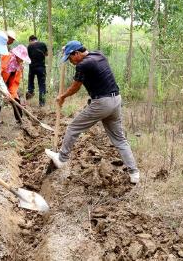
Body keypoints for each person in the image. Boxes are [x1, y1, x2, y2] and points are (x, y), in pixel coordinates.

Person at [45, 40, 140, 184]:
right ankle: (134, 173)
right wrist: (67, 49)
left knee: (73, 127)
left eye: (70, 58)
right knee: (120, 140)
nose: (71, 62)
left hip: (102, 103)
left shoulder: (83, 65)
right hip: (116, 101)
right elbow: (81, 57)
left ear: (76, 53)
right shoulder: (98, 55)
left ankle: (62, 159)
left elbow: (75, 87)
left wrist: (62, 96)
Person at [1, 44, 31, 123]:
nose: (22, 60)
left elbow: (15, 82)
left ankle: (20, 121)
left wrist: (12, 94)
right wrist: (2, 88)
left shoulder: (18, 67)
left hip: (9, 84)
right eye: (21, 58)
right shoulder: (6, 57)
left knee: (16, 101)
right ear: (16, 55)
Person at [26, 35, 48, 107]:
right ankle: (42, 104)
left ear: (30, 40)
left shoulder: (29, 47)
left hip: (32, 67)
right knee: (42, 85)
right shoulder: (43, 44)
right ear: (36, 39)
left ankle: (30, 92)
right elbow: (46, 54)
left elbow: (28, 57)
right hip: (41, 68)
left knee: (31, 81)